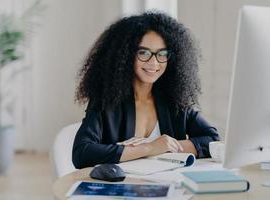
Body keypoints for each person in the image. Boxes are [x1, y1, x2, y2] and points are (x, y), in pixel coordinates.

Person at [72, 11, 220, 169]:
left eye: (162, 54)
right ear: (126, 55)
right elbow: (82, 153)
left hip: (169, 184)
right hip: (122, 188)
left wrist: (165, 147)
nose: (154, 62)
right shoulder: (106, 100)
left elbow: (212, 140)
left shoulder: (174, 100)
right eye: (143, 52)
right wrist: (149, 148)